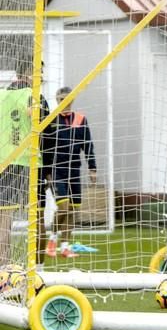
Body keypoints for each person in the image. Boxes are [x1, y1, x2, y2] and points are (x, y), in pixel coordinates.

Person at [0, 60, 51, 266]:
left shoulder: (3, 95)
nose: (43, 77)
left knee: (5, 217)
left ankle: (6, 268)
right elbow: (36, 116)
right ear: (29, 74)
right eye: (40, 73)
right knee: (33, 215)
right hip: (23, 162)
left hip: (4, 161)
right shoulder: (32, 93)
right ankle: (20, 270)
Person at [42, 86, 97, 258]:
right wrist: (46, 174)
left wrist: (92, 168)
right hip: (57, 171)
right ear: (57, 100)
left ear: (72, 99)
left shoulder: (81, 119)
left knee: (73, 210)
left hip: (74, 171)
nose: (64, 102)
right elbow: (45, 149)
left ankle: (65, 247)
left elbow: (88, 145)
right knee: (64, 209)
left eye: (67, 99)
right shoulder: (50, 120)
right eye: (61, 99)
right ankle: (52, 240)